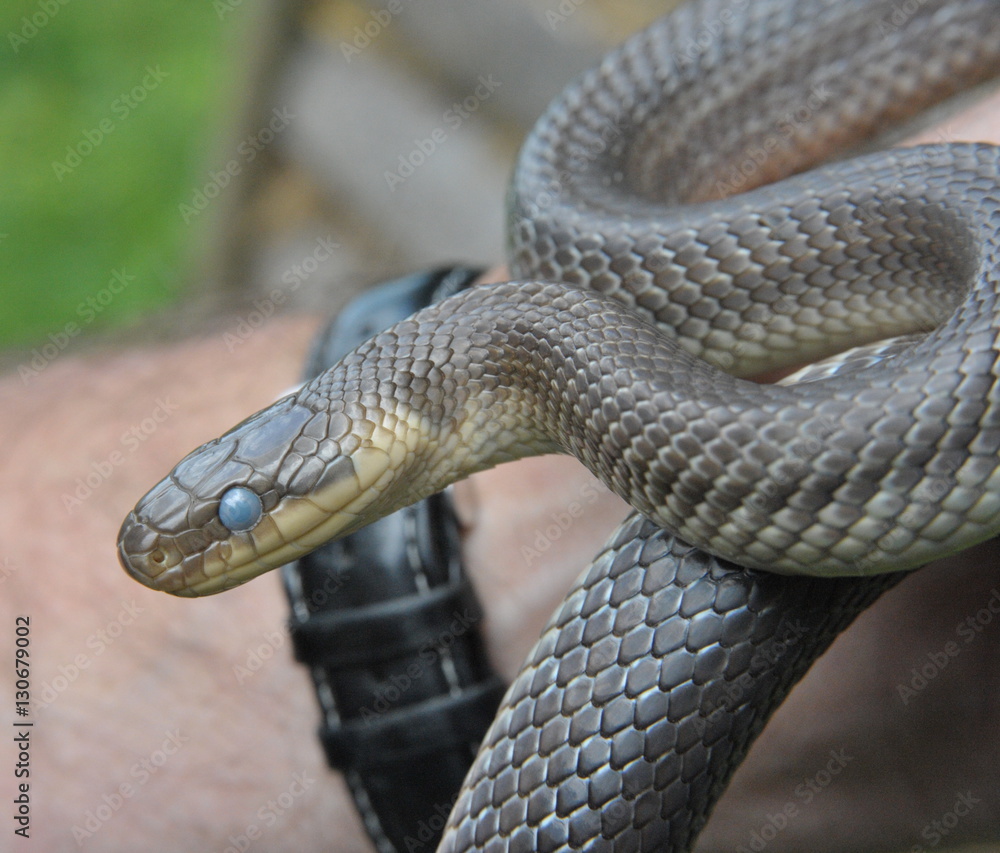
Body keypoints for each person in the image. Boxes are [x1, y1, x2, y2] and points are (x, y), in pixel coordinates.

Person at [3, 92, 1000, 853]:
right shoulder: (536, 324)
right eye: (234, 504)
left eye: (237, 508)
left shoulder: (550, 324)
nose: (221, 532)